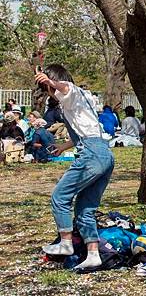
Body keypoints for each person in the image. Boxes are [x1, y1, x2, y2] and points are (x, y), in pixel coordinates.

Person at [35, 64, 115, 270]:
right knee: (85, 208)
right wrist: (63, 146)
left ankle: (65, 243)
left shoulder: (71, 92)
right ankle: (93, 254)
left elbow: (66, 88)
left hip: (91, 154)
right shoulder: (84, 98)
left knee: (60, 197)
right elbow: (86, 129)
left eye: (48, 90)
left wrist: (51, 82)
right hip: (104, 154)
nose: (49, 95)